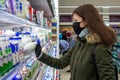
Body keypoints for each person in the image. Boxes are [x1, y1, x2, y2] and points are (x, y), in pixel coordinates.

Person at [35, 4, 117, 80]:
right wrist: (41, 55)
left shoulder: (100, 45)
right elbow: (61, 63)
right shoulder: (79, 42)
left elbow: (108, 77)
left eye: (76, 21)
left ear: (87, 21)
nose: (74, 25)